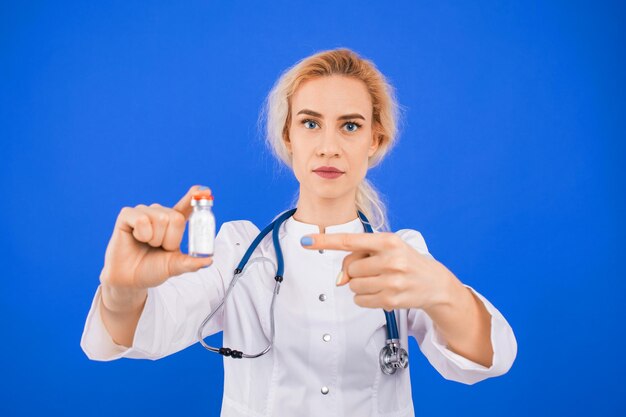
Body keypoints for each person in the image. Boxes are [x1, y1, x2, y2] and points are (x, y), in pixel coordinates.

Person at [80, 48, 517, 416]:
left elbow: (486, 360)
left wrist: (443, 291)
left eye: (350, 125)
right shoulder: (237, 253)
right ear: (288, 136)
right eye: (310, 123)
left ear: (375, 141)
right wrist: (121, 288)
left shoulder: (400, 257)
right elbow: (133, 336)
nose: (329, 145)